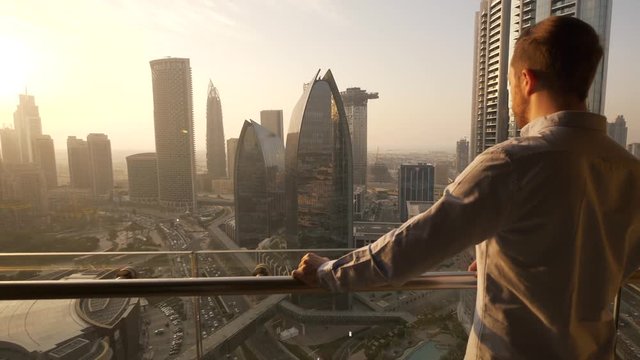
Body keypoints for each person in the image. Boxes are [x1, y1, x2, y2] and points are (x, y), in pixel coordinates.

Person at [292, 16, 640, 359]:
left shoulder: (511, 164)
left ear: (526, 80)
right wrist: (502, 260)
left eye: (509, 88)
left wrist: (328, 271)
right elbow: (602, 260)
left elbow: (415, 245)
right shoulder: (630, 171)